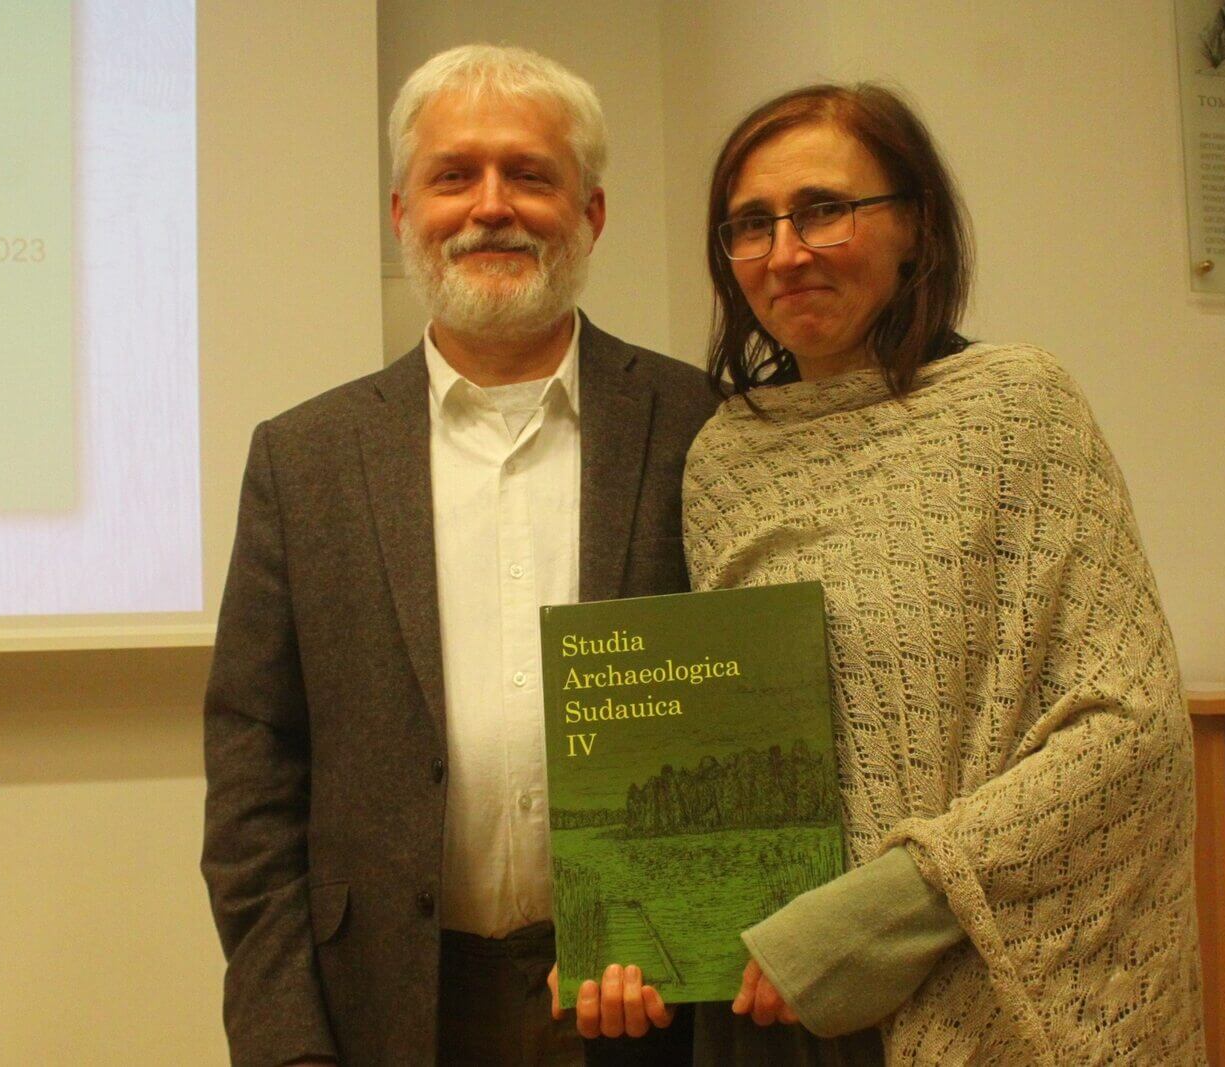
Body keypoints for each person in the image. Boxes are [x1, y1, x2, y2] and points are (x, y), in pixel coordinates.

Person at [200, 44, 715, 1066]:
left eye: (529, 174)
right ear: (403, 213)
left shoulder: (702, 426)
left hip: (650, 1004)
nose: (491, 206)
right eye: (453, 176)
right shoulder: (304, 459)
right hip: (387, 1008)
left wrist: (691, 932)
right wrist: (285, 1041)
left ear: (591, 213)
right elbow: (254, 772)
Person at [680, 83, 1205, 1064]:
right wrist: (648, 932)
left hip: (989, 993)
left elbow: (1129, 726)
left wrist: (884, 912)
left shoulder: (1020, 405)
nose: (785, 252)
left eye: (824, 209)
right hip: (793, 1012)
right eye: (752, 223)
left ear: (915, 226)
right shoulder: (720, 458)